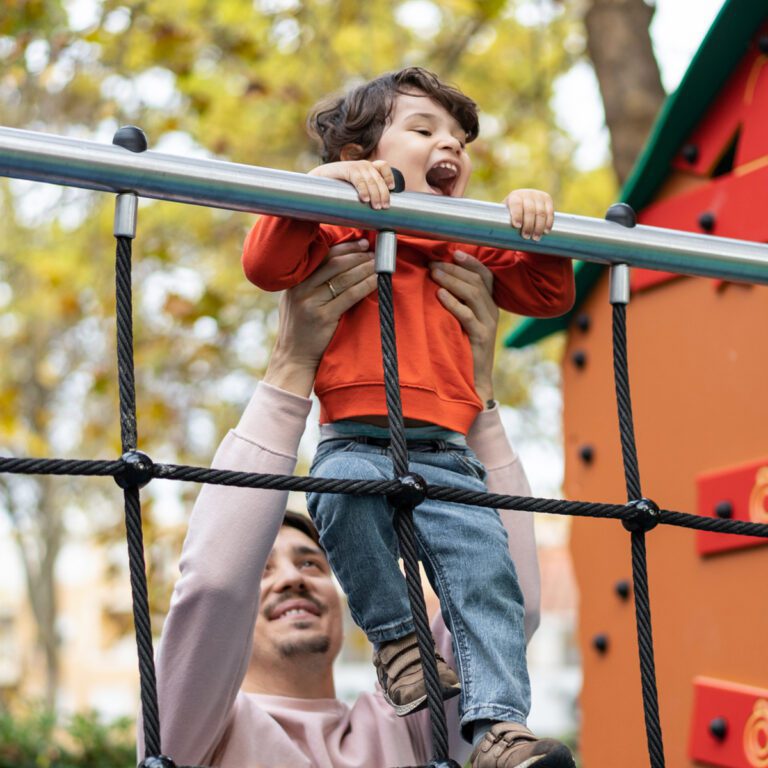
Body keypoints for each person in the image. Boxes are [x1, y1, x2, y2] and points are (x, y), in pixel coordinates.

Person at [240, 68, 575, 766]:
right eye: (422, 131)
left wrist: (533, 220)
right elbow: (266, 264)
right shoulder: (339, 223)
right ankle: (399, 645)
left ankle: (499, 729)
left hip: (450, 452)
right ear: (363, 157)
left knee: (488, 577)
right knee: (340, 505)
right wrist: (322, 183)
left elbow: (547, 295)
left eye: (457, 139)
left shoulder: (465, 236)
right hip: (355, 435)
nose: (447, 145)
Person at [148, 247, 559, 767]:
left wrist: (473, 401)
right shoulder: (186, 733)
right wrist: (291, 365)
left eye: (311, 563)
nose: (292, 579)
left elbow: (511, 604)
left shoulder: (411, 722)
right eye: (264, 569)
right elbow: (215, 586)